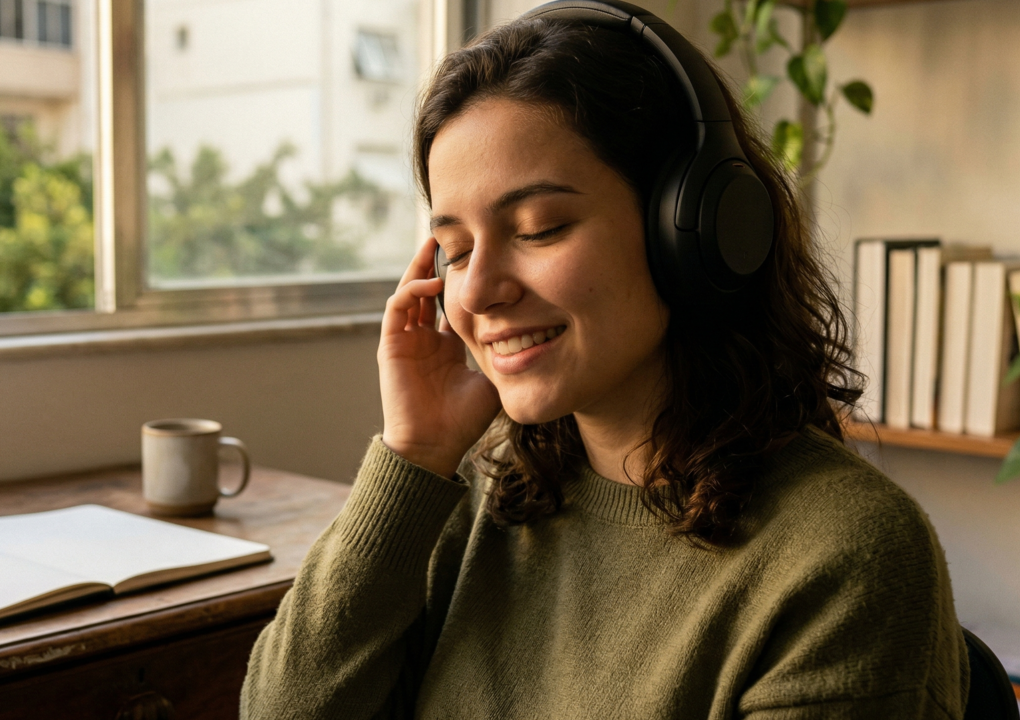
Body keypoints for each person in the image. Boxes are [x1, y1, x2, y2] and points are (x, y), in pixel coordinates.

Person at [240, 6, 969, 719]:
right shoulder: (473, 501)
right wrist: (415, 454)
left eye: (539, 228)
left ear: (694, 230)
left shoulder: (844, 557)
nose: (481, 291)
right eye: (456, 250)